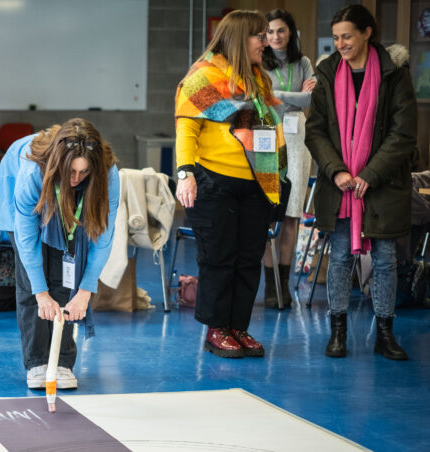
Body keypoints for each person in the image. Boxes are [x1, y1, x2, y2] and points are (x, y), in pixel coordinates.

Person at [175, 10, 288, 359]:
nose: (266, 41)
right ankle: (216, 329)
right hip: (215, 182)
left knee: (248, 259)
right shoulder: (203, 79)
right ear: (241, 38)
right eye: (259, 35)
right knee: (219, 259)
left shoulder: (257, 79)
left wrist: (278, 179)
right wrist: (185, 172)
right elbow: (187, 128)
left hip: (256, 184)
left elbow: (270, 130)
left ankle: (239, 328)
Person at [306, 5, 417, 361]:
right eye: (336, 37)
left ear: (368, 32)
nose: (340, 43)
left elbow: (403, 132)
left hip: (381, 183)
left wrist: (370, 173)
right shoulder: (327, 72)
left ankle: (385, 334)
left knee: (385, 260)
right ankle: (337, 331)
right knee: (339, 258)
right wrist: (337, 170)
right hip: (340, 185)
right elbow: (316, 130)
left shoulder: (394, 72)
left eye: (347, 36)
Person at [0, 118, 120, 390]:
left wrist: (85, 291)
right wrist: (41, 293)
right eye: (71, 172)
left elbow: (104, 236)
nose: (76, 179)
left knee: (66, 281)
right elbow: (27, 240)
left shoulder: (108, 173)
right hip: (24, 182)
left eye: (83, 172)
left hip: (64, 196)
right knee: (32, 286)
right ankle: (38, 361)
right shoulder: (31, 172)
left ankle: (62, 361)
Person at [260, 9, 317, 309]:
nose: (275, 37)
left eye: (280, 30)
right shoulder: (259, 62)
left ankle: (284, 284)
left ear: (291, 32)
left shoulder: (304, 62)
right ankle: (270, 288)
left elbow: (312, 99)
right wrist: (293, 94)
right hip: (267, 141)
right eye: (269, 32)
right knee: (269, 216)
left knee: (293, 215)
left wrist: (278, 93)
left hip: (297, 143)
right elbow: (262, 97)